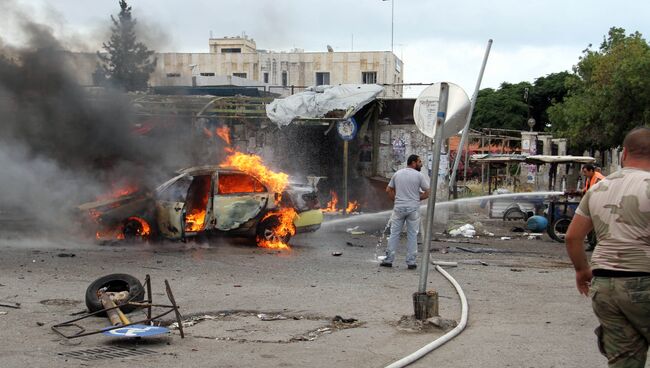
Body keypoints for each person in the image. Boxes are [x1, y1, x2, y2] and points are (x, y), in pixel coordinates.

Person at [565, 127, 650, 367]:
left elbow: (572, 237)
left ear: (623, 154)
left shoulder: (599, 188)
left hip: (604, 286)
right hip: (644, 282)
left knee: (624, 361)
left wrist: (582, 271)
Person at [382, 154, 431, 269]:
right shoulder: (419, 176)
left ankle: (389, 260)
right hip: (413, 209)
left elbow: (388, 189)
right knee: (412, 235)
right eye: (419, 162)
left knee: (394, 234)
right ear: (413, 162)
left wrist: (396, 200)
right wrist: (418, 198)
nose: (421, 164)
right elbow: (428, 192)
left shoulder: (398, 173)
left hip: (399, 208)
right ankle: (411, 262)